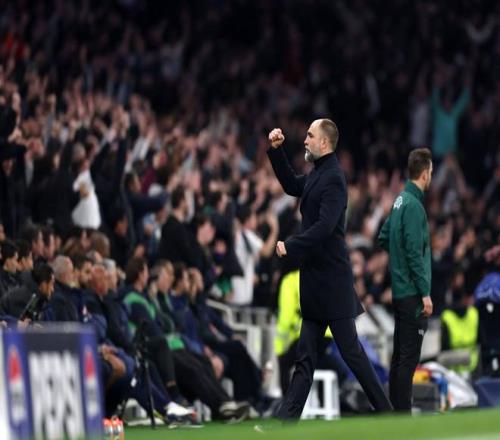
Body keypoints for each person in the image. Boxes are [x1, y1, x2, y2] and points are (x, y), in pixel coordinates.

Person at [267, 119, 392, 420]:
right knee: (305, 357)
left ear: (324, 143)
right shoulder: (317, 173)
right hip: (315, 280)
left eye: (310, 136)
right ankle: (285, 422)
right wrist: (277, 151)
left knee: (352, 354)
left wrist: (292, 244)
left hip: (332, 282)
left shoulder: (334, 178)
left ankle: (388, 414)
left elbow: (325, 228)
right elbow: (291, 185)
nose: (305, 140)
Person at [378, 147, 434, 412]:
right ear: (425, 174)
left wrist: (397, 265)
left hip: (400, 291)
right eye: (431, 172)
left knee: (399, 357)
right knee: (408, 360)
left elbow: (383, 237)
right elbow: (413, 251)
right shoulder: (413, 206)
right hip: (412, 293)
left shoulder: (400, 201)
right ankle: (402, 415)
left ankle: (395, 415)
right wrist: (425, 292)